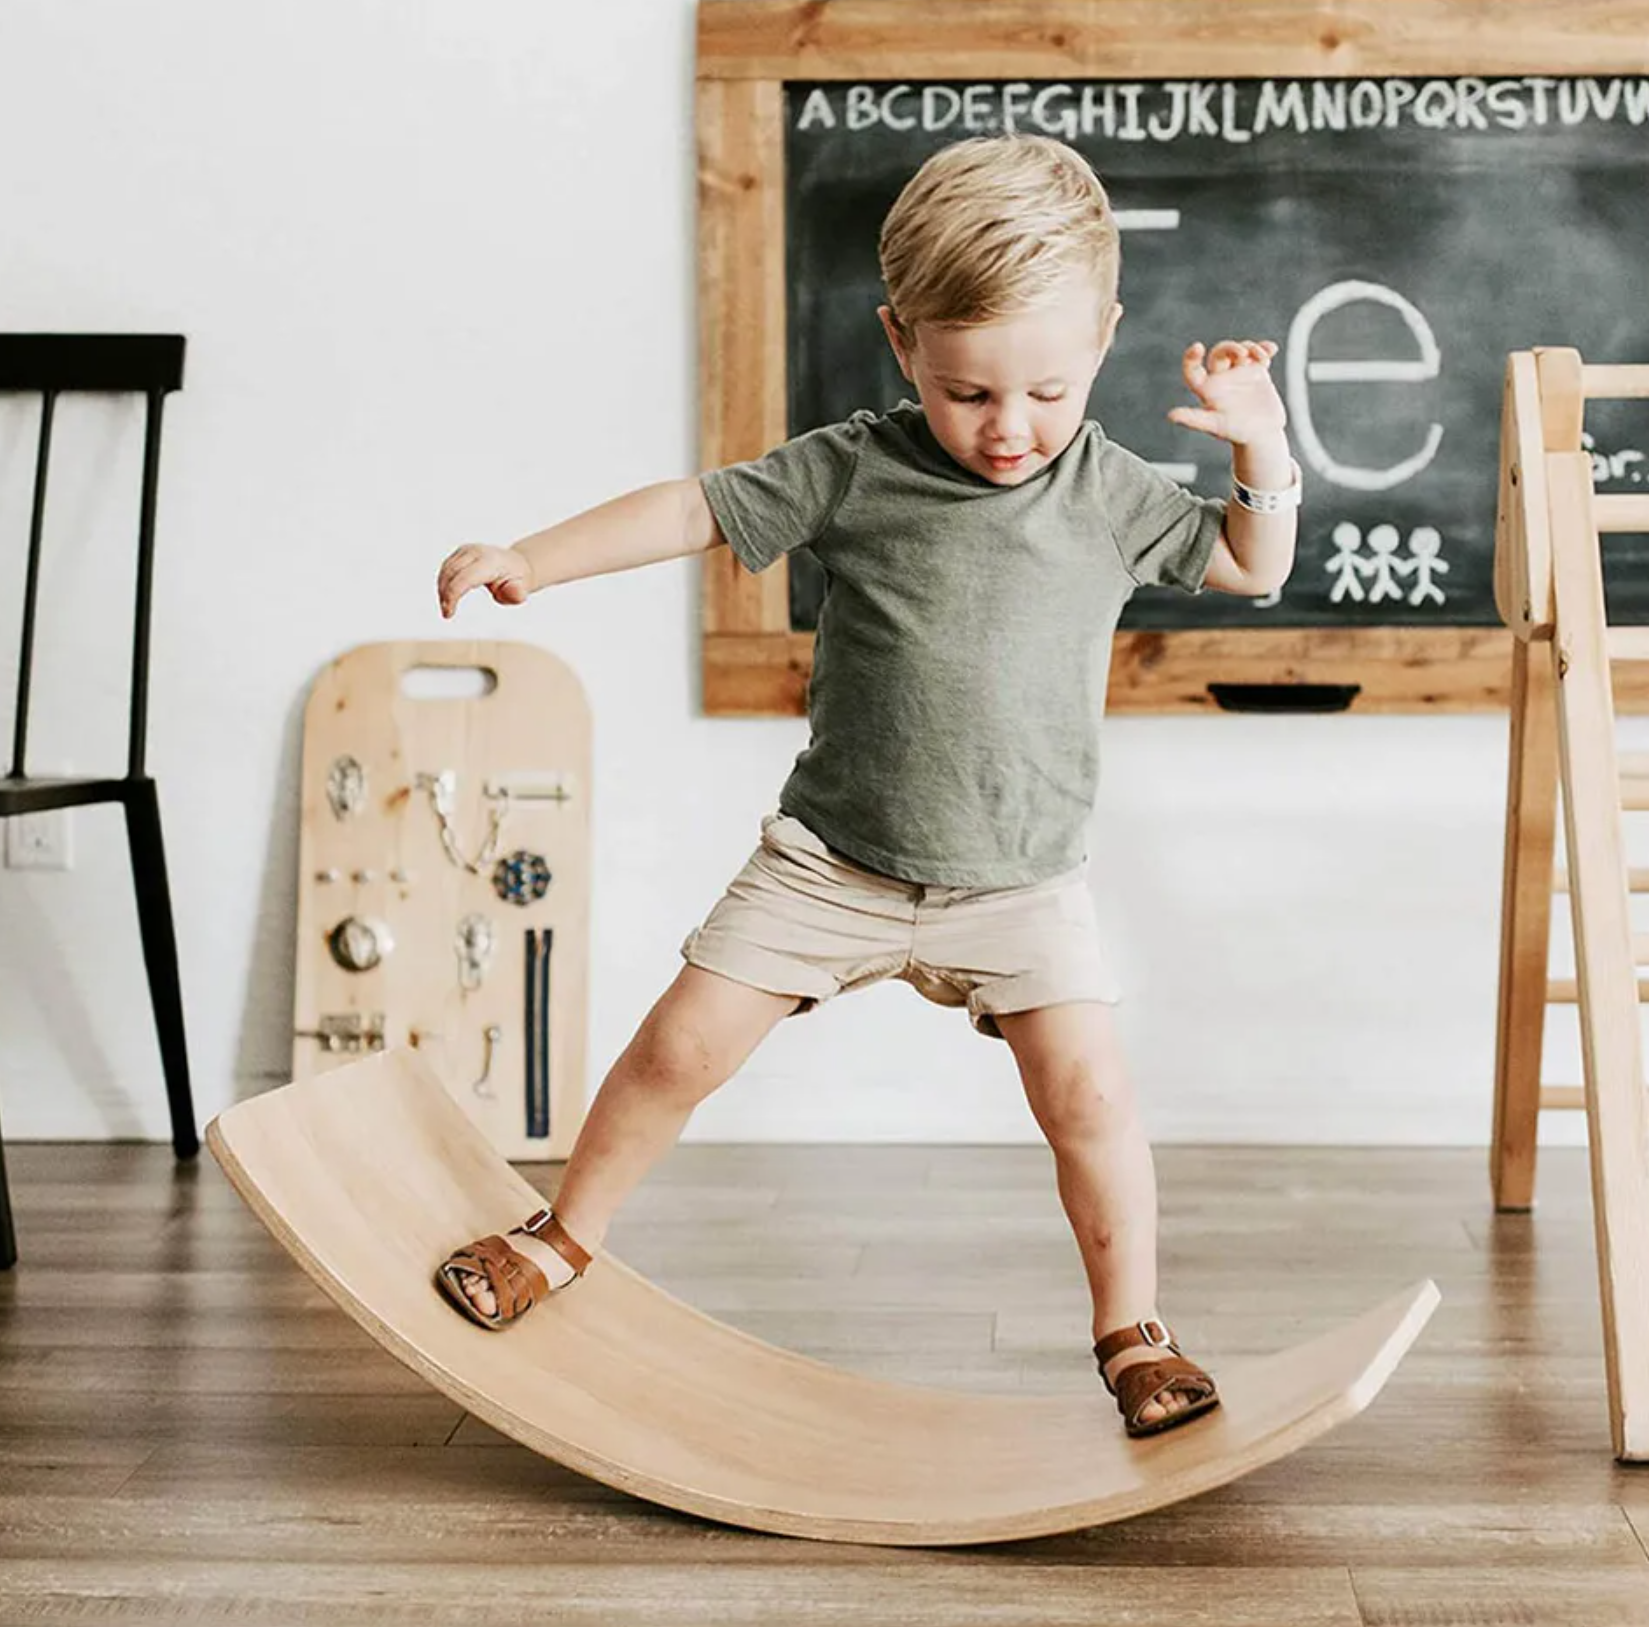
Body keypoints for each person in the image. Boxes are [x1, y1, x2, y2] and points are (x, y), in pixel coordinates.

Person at [431, 134, 1298, 1439]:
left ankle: (1133, 1328)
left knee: (1094, 1098)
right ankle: (563, 1233)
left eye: (1046, 392)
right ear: (904, 345)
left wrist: (1263, 457)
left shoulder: (1109, 490)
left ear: (1107, 336)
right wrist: (532, 560)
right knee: (678, 1047)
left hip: (1021, 882)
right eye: (968, 393)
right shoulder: (850, 466)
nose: (1009, 429)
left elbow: (1250, 567)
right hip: (829, 864)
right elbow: (691, 511)